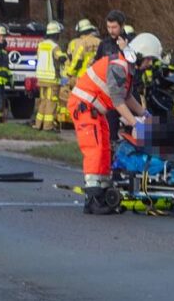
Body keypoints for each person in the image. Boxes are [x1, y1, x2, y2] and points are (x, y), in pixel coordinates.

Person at [68, 32, 161, 214]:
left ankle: (102, 194)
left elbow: (126, 97)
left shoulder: (126, 67)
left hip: (94, 110)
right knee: (94, 149)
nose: (149, 64)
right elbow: (118, 101)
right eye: (149, 59)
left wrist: (143, 113)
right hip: (84, 108)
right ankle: (93, 199)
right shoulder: (119, 66)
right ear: (140, 54)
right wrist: (135, 123)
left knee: (104, 149)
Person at [95, 10, 129, 142]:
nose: (111, 30)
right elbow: (97, 64)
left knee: (131, 130)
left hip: (127, 92)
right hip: (108, 93)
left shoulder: (131, 42)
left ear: (122, 26)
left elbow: (135, 64)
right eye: (108, 27)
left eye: (114, 27)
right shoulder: (104, 44)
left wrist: (125, 49)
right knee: (110, 130)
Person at [34, 21, 67, 131]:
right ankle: (48, 126)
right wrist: (66, 56)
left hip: (41, 78)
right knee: (51, 102)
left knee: (43, 101)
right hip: (51, 79)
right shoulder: (55, 46)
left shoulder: (41, 45)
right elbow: (60, 57)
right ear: (56, 34)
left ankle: (38, 124)